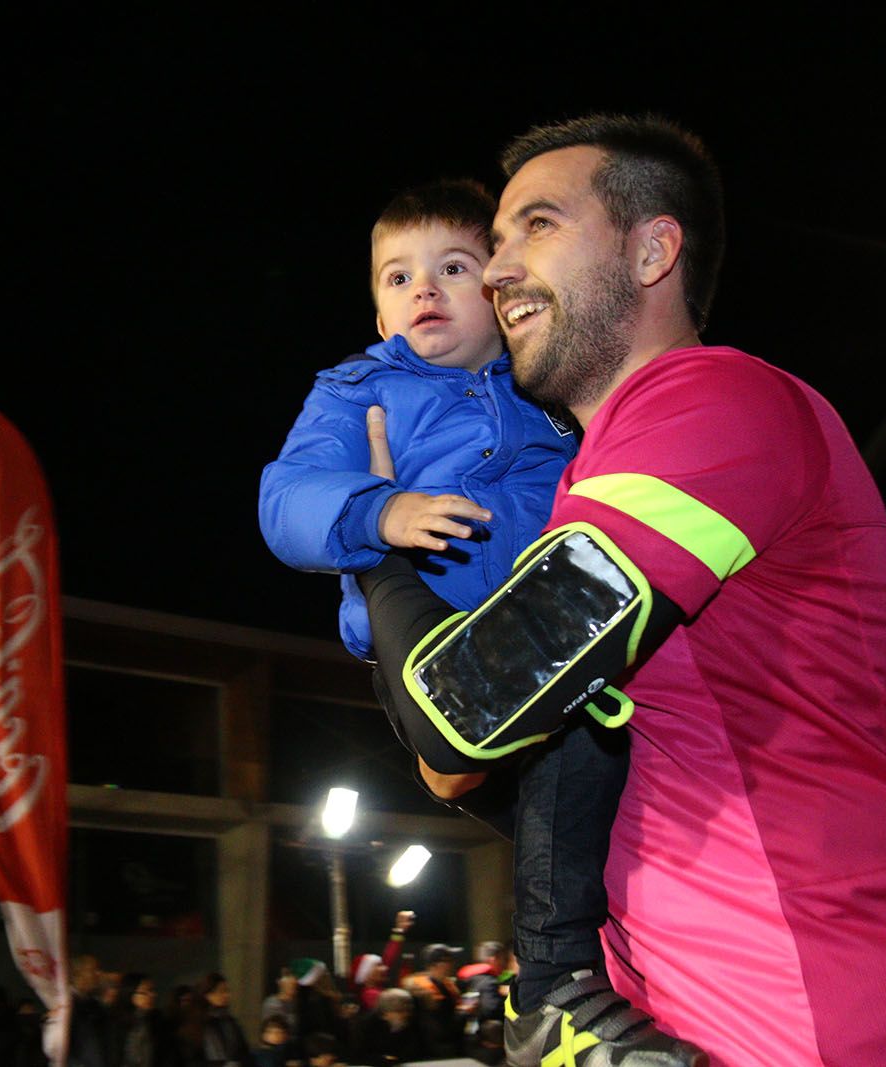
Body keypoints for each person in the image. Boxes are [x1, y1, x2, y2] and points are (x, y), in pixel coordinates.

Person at [357, 111, 886, 1065]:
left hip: (862, 1013)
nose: (494, 271)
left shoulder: (714, 400)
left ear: (655, 249)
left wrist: (372, 537)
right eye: (493, 243)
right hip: (724, 1023)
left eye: (536, 226)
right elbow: (461, 761)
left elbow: (467, 709)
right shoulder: (590, 479)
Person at [256, 178, 629, 1049]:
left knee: (588, 799)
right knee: (556, 779)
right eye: (397, 276)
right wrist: (379, 513)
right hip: (431, 644)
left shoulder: (546, 390)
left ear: (501, 285)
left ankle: (595, 969)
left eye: (451, 267)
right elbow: (286, 495)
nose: (422, 289)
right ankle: (549, 980)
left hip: (549, 638)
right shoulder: (360, 389)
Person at [175, 975, 248, 1067]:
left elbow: (244, 1052)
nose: (227, 995)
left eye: (227, 991)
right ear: (207, 994)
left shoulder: (229, 1021)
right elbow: (190, 1059)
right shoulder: (195, 1024)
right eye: (221, 991)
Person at [112, 976, 177, 1067]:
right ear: (131, 994)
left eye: (152, 991)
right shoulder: (117, 1024)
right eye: (145, 992)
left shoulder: (157, 1021)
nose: (153, 995)